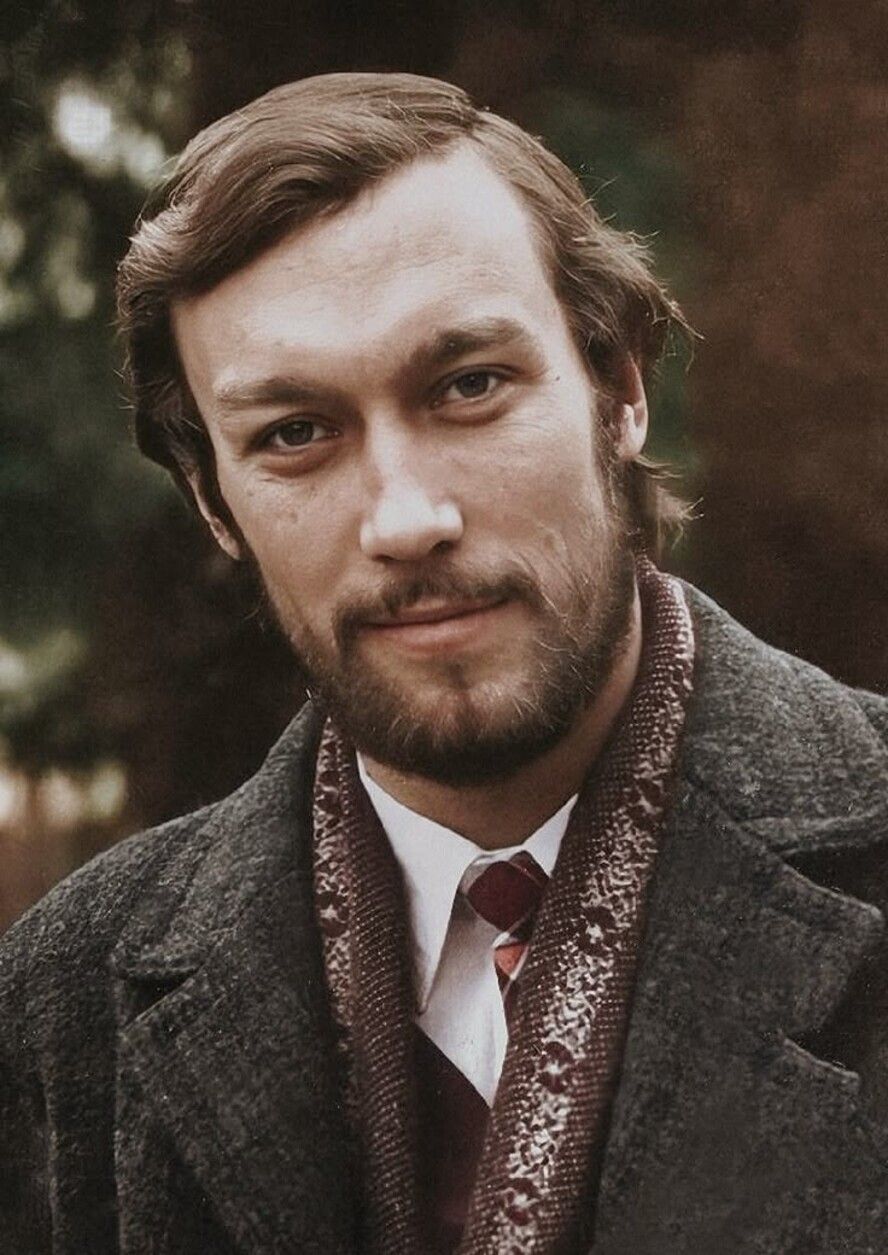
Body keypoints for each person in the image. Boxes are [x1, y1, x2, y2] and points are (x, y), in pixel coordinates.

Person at [2, 71, 888, 1255]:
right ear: (215, 504)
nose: (407, 518)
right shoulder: (62, 1002)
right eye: (295, 434)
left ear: (619, 389)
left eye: (469, 386)